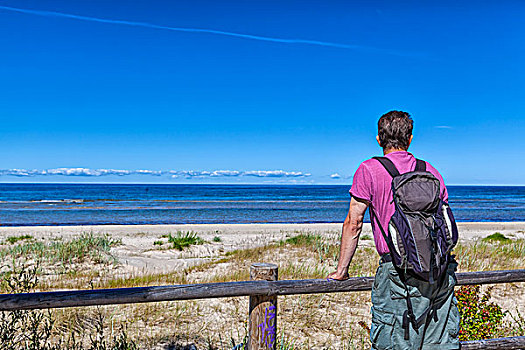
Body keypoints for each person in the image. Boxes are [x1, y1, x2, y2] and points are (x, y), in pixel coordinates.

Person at [327, 111, 460, 349]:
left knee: (394, 340)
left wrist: (341, 270)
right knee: (438, 343)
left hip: (396, 269)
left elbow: (354, 223)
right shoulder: (430, 169)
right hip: (439, 270)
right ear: (410, 139)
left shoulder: (368, 169)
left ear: (379, 139)